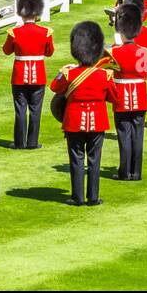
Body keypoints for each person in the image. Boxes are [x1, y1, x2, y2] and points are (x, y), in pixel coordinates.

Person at [50, 21, 119, 206]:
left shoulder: (68, 73)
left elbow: (54, 87)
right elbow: (114, 97)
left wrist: (64, 70)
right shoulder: (104, 75)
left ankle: (78, 197)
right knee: (95, 160)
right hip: (97, 120)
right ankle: (93, 197)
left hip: (74, 120)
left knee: (76, 158)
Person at [108, 2, 147, 180]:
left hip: (121, 97)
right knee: (138, 136)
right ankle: (136, 172)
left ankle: (124, 172)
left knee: (124, 136)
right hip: (140, 96)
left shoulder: (114, 52)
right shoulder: (144, 52)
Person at [3, 0, 54, 149]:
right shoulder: (45, 32)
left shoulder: (14, 32)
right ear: (37, 12)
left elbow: (6, 50)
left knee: (20, 110)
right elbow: (50, 52)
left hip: (19, 76)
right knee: (35, 110)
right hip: (38, 75)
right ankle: (32, 142)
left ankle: (19, 142)